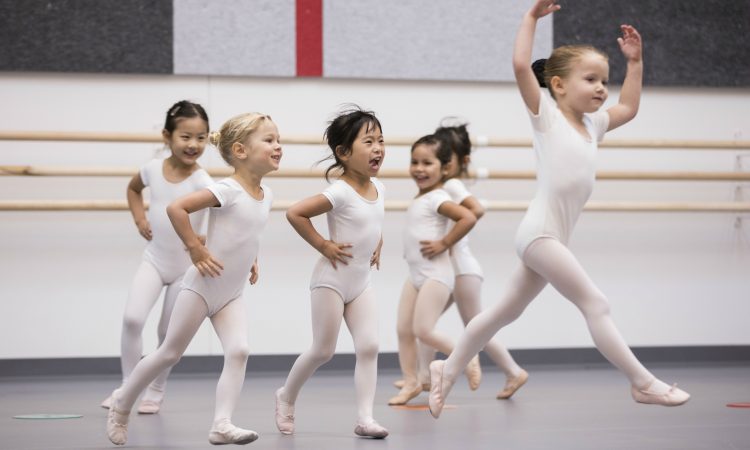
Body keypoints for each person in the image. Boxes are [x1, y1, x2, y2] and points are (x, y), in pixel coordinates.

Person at [428, 0, 689, 419]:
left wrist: (635, 63)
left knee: (501, 313)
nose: (602, 88)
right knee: (596, 303)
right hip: (540, 235)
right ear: (558, 84)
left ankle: (448, 367)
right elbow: (518, 67)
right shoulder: (545, 115)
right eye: (591, 79)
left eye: (604, 80)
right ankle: (643, 383)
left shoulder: (594, 125)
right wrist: (530, 18)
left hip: (550, 237)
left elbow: (630, 108)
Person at [106, 112, 282, 445]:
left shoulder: (266, 194)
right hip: (202, 288)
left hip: (231, 292)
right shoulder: (227, 189)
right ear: (241, 150)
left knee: (239, 350)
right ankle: (122, 403)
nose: (278, 146)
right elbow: (177, 209)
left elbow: (247, 232)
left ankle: (221, 423)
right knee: (169, 353)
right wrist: (194, 249)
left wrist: (253, 260)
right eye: (269, 140)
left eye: (278, 140)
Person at [274, 107, 389, 439]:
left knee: (369, 346)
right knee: (323, 350)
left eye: (381, 140)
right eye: (368, 141)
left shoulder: (380, 188)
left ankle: (365, 418)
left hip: (361, 282)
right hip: (332, 281)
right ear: (343, 152)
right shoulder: (339, 191)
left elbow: (371, 221)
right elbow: (296, 213)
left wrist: (378, 242)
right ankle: (286, 396)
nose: (378, 148)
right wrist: (323, 244)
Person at [398, 122, 529, 400]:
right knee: (427, 324)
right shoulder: (437, 189)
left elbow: (475, 211)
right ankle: (421, 376)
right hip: (452, 268)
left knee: (474, 327)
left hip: (461, 269)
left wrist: (447, 241)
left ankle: (511, 370)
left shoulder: (450, 186)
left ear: (452, 161)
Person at [101, 100, 213, 414]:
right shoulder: (152, 169)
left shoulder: (203, 182)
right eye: (186, 136)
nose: (193, 145)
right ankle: (127, 388)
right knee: (133, 318)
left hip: (184, 269)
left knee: (167, 333)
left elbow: (225, 214)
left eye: (201, 137)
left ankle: (157, 388)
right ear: (167, 136)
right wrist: (139, 219)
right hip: (155, 259)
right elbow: (133, 189)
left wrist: (205, 239)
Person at [388, 134, 481, 406]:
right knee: (403, 329)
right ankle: (411, 382)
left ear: (445, 168)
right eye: (414, 162)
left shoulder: (437, 197)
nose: (419, 168)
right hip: (415, 275)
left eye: (427, 163)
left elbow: (468, 216)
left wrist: (445, 242)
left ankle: (467, 357)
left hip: (436, 275)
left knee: (423, 330)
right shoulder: (422, 197)